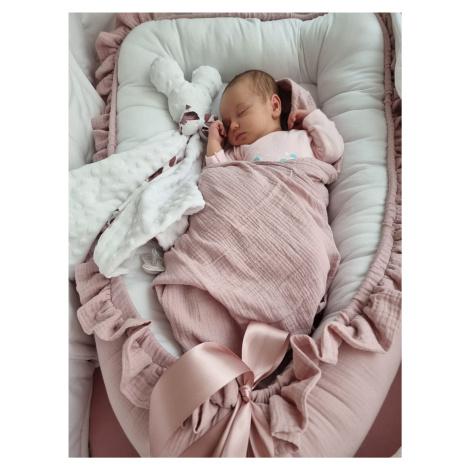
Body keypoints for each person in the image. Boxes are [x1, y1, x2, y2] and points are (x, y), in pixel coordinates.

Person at [206, 70, 344, 166]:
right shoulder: (240, 152)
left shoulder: (302, 137)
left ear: (275, 106)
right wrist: (214, 141)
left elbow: (333, 151)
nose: (233, 126)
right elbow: (219, 173)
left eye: (241, 112)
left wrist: (311, 118)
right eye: (227, 125)